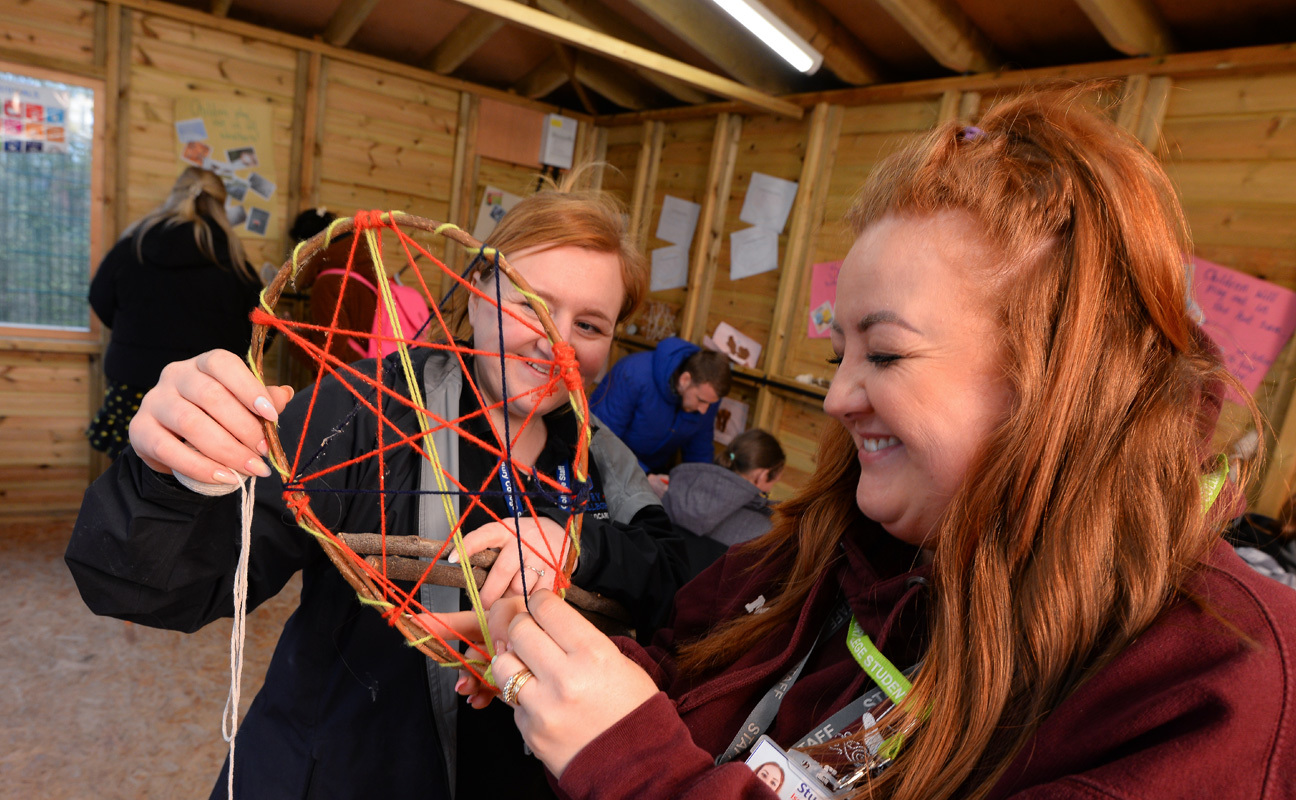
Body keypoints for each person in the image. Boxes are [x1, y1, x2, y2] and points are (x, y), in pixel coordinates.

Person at [461, 91, 1296, 799]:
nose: (835, 398)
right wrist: (571, 674)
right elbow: (689, 667)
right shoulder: (842, 540)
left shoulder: (1217, 680)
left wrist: (636, 766)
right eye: (839, 357)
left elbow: (651, 753)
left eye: (886, 354)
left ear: (1064, 382)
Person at [66, 179, 691, 799]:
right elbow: (155, 581)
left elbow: (677, 590)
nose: (556, 341)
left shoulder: (603, 456)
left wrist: (580, 548)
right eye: (532, 304)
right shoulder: (368, 411)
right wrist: (167, 476)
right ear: (476, 293)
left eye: (590, 324)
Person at [87, 167, 260, 458]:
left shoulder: (133, 245)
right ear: (220, 204)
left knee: (128, 469)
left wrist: (133, 333)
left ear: (176, 194)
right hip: (204, 392)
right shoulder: (235, 262)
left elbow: (99, 298)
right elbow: (260, 329)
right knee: (197, 473)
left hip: (132, 382)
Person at [654, 428, 784, 578]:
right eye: (774, 482)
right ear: (762, 475)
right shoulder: (762, 532)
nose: (771, 488)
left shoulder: (677, 487)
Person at [591, 337, 733, 473]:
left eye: (710, 404)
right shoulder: (633, 374)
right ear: (685, 380)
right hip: (608, 463)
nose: (704, 410)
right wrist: (643, 475)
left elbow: (700, 451)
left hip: (652, 471)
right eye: (701, 401)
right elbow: (601, 439)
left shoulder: (707, 396)